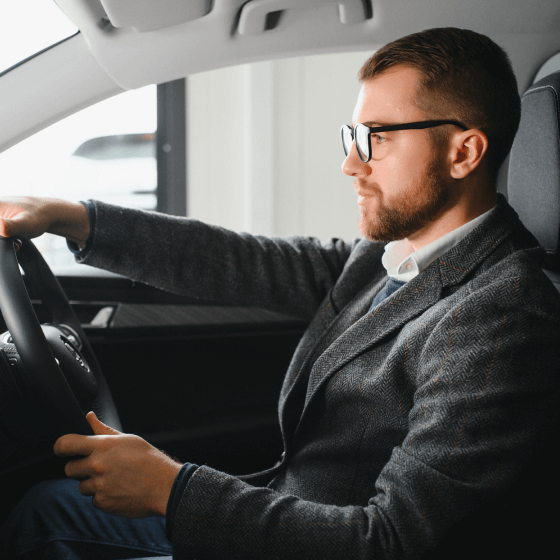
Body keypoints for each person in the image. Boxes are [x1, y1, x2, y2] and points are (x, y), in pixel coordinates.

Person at [1, 26, 559, 560]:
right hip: (286, 512)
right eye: (352, 136)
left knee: (38, 526)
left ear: (464, 153)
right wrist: (73, 218)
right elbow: (241, 262)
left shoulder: (504, 317)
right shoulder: (393, 251)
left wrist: (172, 490)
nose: (350, 163)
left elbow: (392, 542)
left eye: (377, 139)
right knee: (46, 506)